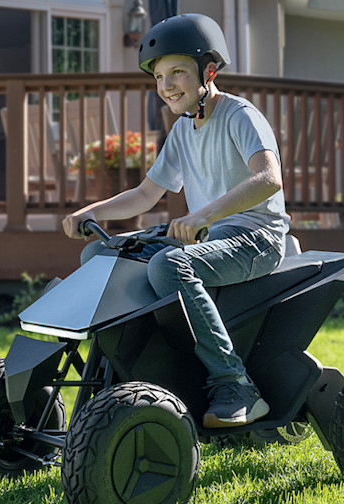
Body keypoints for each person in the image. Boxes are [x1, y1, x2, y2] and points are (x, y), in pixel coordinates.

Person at [61, 13, 289, 429]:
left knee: (168, 265)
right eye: (159, 77)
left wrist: (204, 213)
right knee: (100, 254)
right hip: (208, 236)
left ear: (209, 72)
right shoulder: (184, 130)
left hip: (257, 238)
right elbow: (146, 194)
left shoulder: (239, 115)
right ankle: (119, 376)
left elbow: (269, 178)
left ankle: (236, 384)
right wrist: (93, 211)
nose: (167, 85)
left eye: (178, 72)